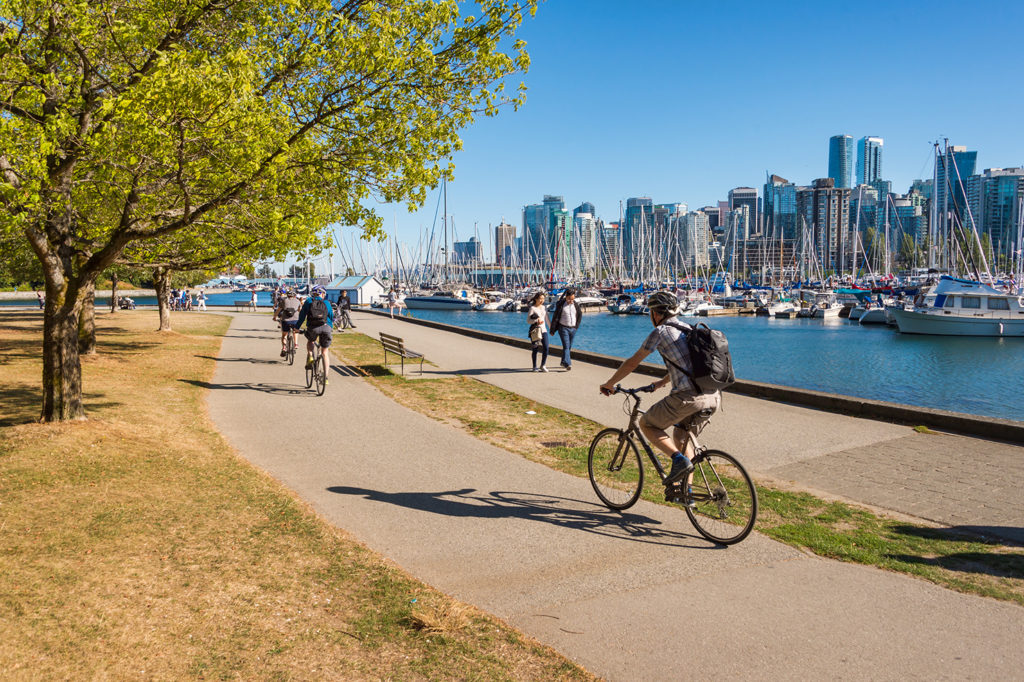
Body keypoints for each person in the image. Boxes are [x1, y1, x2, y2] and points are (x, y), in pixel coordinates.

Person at [598, 291, 721, 493]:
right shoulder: (688, 328)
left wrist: (610, 383)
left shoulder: (661, 332)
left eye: (651, 312)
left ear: (656, 313)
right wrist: (661, 383)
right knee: (681, 437)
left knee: (647, 424)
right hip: (713, 396)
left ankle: (678, 461)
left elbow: (633, 362)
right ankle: (685, 491)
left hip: (689, 398)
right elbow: (688, 366)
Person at [296, 285, 334, 381]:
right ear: (323, 294)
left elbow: (302, 316)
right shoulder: (326, 303)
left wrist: (297, 328)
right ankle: (325, 378)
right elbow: (331, 316)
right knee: (325, 352)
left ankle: (311, 356)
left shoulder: (308, 301)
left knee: (310, 341)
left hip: (313, 328)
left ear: (313, 293)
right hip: (326, 328)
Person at [549, 288, 582, 371]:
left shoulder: (575, 305)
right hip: (563, 328)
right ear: (566, 297)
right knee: (566, 346)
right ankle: (568, 364)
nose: (571, 301)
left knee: (569, 347)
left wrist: (576, 326)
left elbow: (579, 315)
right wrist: (552, 330)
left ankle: (563, 361)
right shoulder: (561, 305)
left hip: (573, 329)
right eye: (569, 299)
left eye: (573, 299)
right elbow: (555, 317)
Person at [274, 288, 302, 357]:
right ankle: (296, 343)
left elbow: (278, 310)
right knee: (295, 331)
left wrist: (274, 317)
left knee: (284, 335)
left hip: (285, 320)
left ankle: (284, 347)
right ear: (294, 295)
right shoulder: (298, 301)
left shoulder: (284, 301)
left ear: (287, 295)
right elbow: (300, 310)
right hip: (295, 320)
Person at [527, 291, 550, 372]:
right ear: (536, 299)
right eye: (540, 299)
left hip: (544, 330)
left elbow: (547, 319)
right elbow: (528, 320)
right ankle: (534, 366)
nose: (542, 300)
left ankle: (543, 365)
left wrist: (551, 329)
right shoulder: (532, 308)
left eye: (543, 299)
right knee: (535, 349)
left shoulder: (544, 308)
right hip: (535, 330)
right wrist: (536, 320)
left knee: (546, 347)